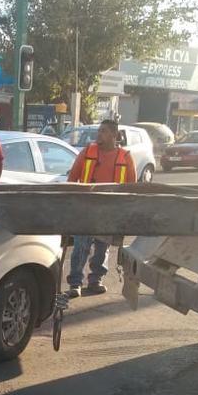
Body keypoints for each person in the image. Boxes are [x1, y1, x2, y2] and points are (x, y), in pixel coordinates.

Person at [65, 118, 137, 297]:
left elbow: (131, 189)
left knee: (102, 248)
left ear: (114, 135)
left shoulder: (126, 157)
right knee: (81, 247)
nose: (99, 134)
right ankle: (75, 283)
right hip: (86, 209)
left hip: (110, 212)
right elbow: (72, 179)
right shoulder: (88, 152)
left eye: (103, 131)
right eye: (99, 131)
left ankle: (96, 280)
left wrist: (126, 215)